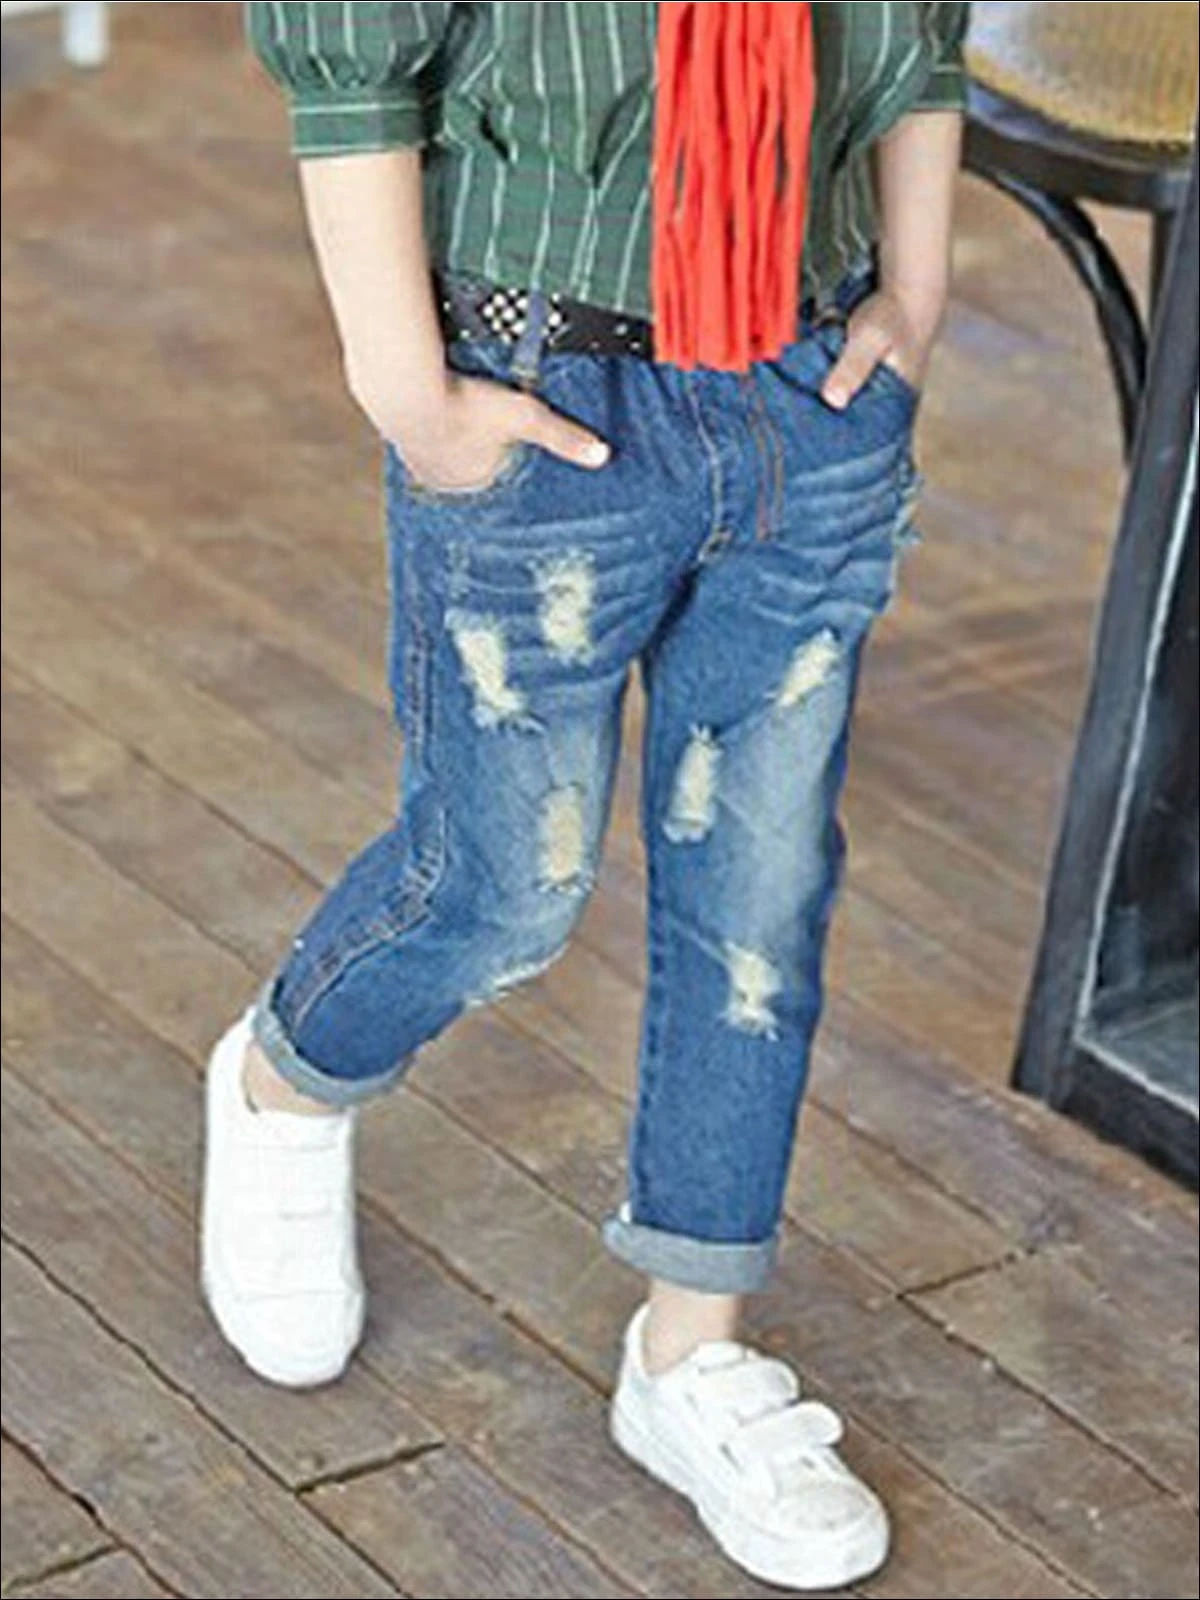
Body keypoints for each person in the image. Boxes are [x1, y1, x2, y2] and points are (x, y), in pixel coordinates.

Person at [205, 3, 966, 1589]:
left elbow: (924, 34)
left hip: (812, 385)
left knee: (758, 894)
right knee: (502, 890)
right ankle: (289, 1081)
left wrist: (917, 280)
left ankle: (694, 1350)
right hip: (544, 388)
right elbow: (357, 55)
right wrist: (408, 394)